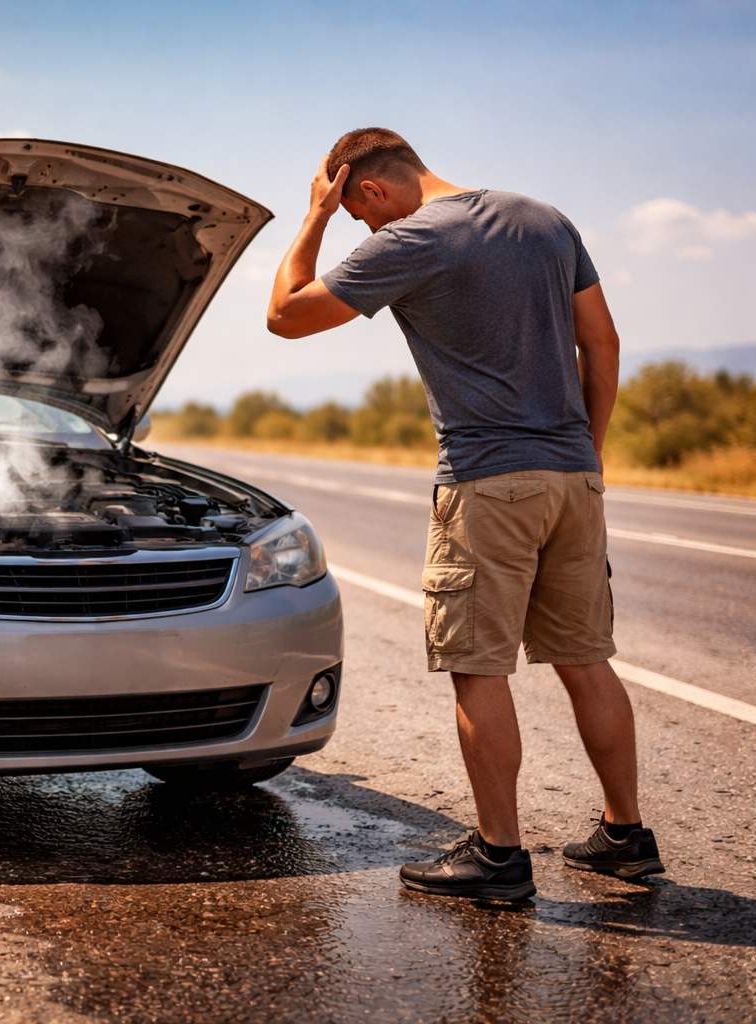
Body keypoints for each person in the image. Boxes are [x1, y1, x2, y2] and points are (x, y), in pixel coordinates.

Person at [264, 127, 663, 900]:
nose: (364, 230)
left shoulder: (412, 239)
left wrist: (312, 216)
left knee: (477, 667)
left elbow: (285, 315)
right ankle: (627, 835)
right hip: (573, 475)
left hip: (487, 481)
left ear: (369, 187)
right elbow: (603, 343)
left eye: (357, 213)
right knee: (586, 658)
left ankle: (499, 856)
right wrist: (590, 449)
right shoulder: (545, 219)